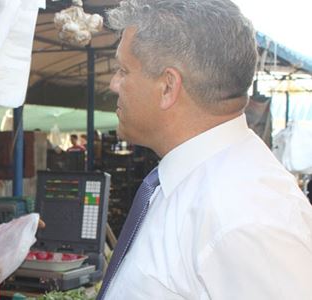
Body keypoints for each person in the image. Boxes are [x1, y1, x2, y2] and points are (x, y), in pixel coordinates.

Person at [97, 1, 312, 299]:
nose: (113, 84)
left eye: (123, 70)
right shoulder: (191, 183)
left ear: (168, 87)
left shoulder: (245, 219)